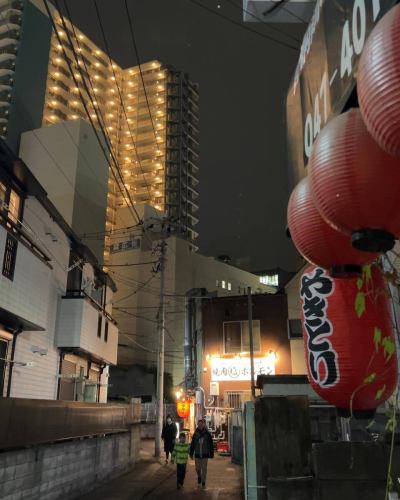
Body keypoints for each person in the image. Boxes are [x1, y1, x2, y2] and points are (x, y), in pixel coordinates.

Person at [189, 418, 214, 489]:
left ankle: (203, 482)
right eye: (199, 424)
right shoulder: (195, 433)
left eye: (201, 424)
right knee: (197, 469)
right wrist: (191, 453)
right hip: (197, 454)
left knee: (204, 469)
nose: (200, 425)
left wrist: (211, 453)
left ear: (204, 424)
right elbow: (192, 444)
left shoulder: (207, 433)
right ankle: (199, 476)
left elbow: (210, 444)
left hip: (205, 454)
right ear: (198, 424)